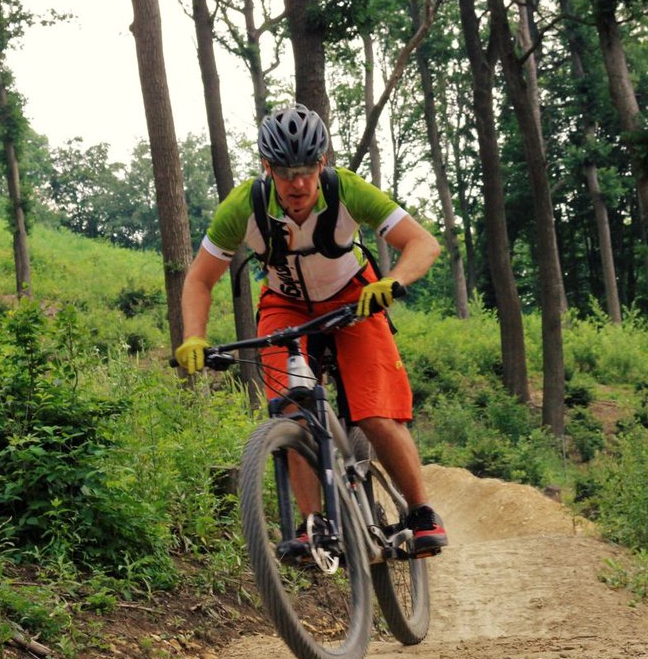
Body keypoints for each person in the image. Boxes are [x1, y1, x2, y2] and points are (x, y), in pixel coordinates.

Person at [175, 102, 448, 559]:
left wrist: (391, 282)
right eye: (285, 171)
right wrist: (193, 336)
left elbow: (423, 242)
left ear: (323, 162)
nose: (297, 183)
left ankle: (422, 512)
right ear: (267, 167)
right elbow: (200, 278)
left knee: (375, 412)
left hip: (354, 300)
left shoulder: (348, 192)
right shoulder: (244, 205)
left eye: (307, 169)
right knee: (291, 412)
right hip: (285, 305)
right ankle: (312, 524)